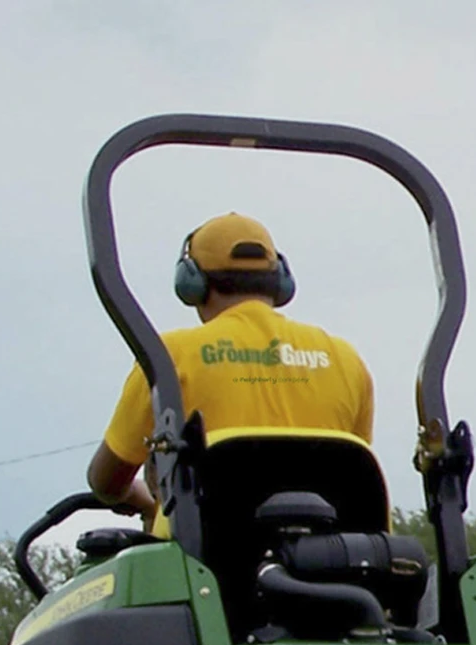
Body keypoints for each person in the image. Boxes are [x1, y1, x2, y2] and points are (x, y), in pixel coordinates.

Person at [87, 212, 375, 528]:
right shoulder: (346, 360)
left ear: (191, 281)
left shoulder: (166, 356)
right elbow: (350, 473)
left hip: (201, 564)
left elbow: (107, 481)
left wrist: (148, 502)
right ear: (279, 277)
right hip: (332, 561)